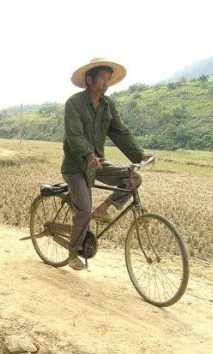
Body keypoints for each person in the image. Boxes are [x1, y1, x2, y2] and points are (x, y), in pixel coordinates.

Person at [62, 58, 152, 270]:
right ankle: (73, 253)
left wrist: (139, 156)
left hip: (98, 164)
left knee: (134, 178)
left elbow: (120, 133)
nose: (106, 83)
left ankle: (103, 208)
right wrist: (88, 156)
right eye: (102, 78)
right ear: (89, 79)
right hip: (76, 166)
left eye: (109, 79)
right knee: (83, 210)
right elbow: (74, 136)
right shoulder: (74, 103)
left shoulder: (108, 106)